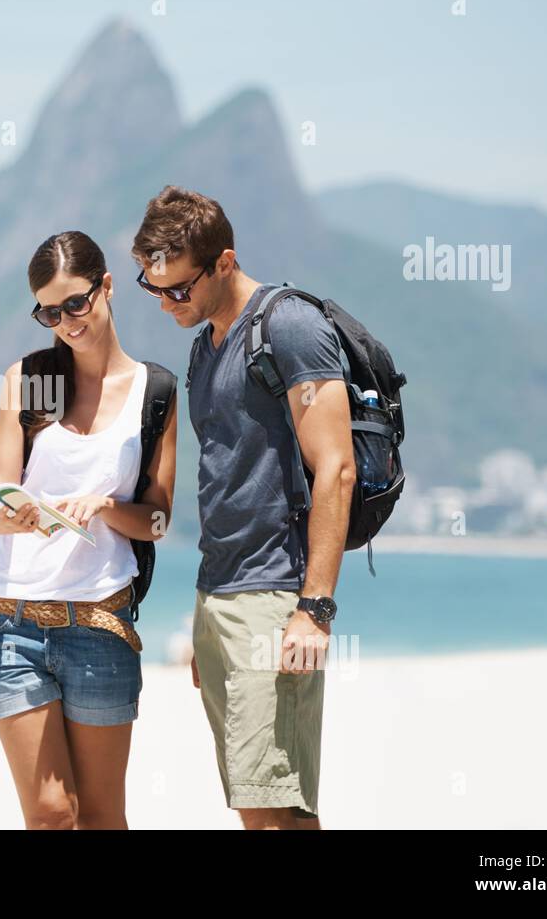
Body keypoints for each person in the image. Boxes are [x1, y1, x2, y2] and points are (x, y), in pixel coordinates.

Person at [131, 185, 355, 829]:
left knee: (268, 810)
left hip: (277, 595)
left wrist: (314, 609)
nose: (170, 304)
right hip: (222, 599)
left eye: (180, 289)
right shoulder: (205, 345)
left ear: (224, 263)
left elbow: (335, 468)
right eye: (156, 291)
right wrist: (207, 614)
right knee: (272, 808)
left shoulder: (288, 327)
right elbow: (224, 480)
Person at [0, 230, 177, 830]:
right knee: (51, 814)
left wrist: (108, 507)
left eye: (75, 303)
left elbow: (159, 521)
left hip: (101, 624)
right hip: (10, 621)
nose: (64, 322)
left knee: (103, 819)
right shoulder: (29, 378)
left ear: (107, 286)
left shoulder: (155, 391)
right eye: (48, 311)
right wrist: (3, 512)